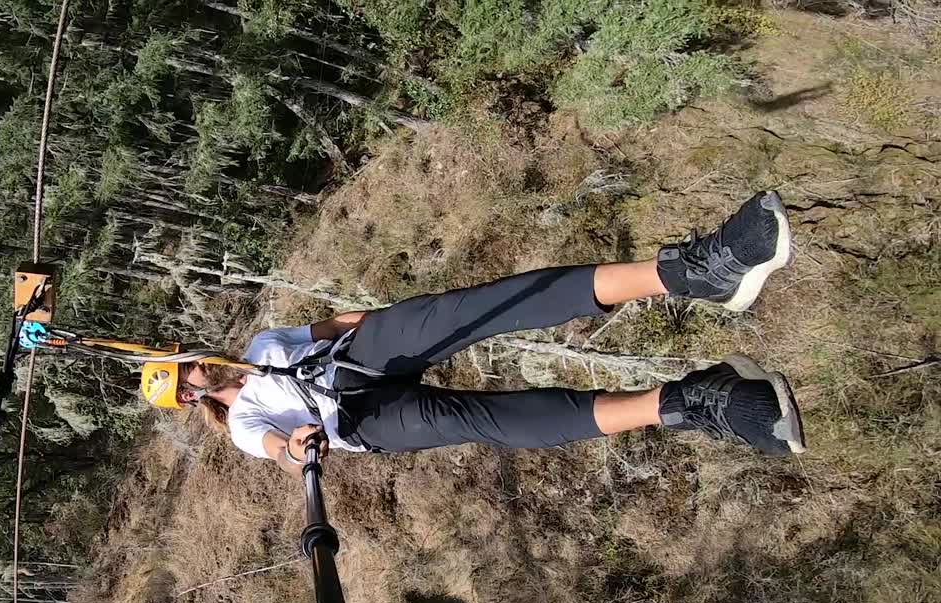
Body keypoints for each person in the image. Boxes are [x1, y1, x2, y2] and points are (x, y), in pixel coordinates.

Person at [139, 191, 806, 476]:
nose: (196, 367)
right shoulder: (244, 422)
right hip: (362, 419)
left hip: (358, 352)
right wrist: (298, 449)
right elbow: (277, 446)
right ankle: (694, 400)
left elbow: (328, 326)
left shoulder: (257, 349)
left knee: (487, 305)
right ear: (193, 398)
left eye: (185, 359)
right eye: (187, 377)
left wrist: (393, 322)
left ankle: (700, 270)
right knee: (488, 417)